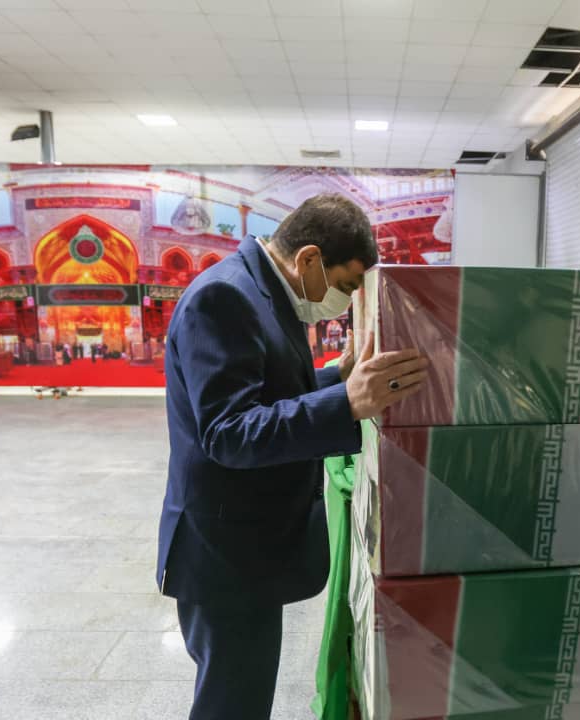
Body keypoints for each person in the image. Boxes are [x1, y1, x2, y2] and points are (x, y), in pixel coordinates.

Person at [156, 194, 428, 720]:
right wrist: (346, 403)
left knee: (244, 693)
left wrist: (338, 378)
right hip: (224, 553)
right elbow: (229, 432)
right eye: (347, 284)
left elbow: (267, 392)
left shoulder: (262, 293)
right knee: (232, 703)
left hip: (248, 546)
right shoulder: (224, 298)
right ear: (308, 259)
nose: (347, 300)